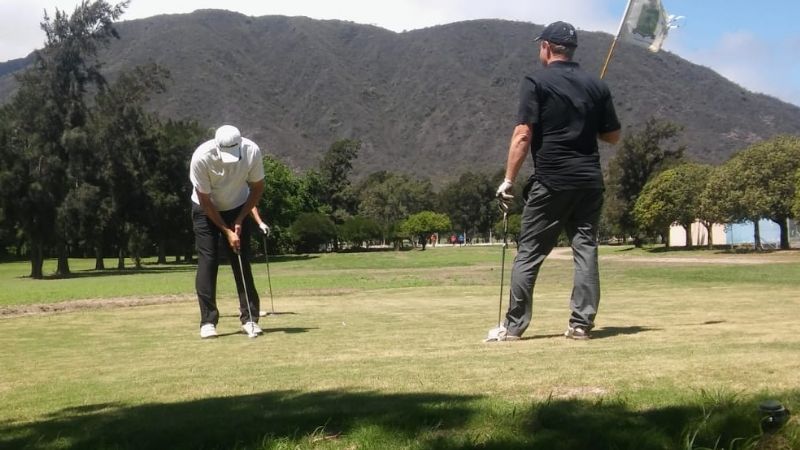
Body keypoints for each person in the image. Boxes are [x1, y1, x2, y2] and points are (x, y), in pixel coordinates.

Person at [490, 21, 621, 341]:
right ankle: (581, 324)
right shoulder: (596, 86)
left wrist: (508, 180)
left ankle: (513, 327)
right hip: (589, 182)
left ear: (547, 47)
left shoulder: (536, 81)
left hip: (552, 181)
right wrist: (586, 120)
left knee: (530, 252)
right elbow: (613, 136)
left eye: (540, 45)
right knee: (585, 250)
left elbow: (523, 135)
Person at [190, 125, 268, 339]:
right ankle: (207, 321)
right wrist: (226, 231)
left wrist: (241, 219)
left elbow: (258, 187)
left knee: (241, 261)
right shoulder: (201, 158)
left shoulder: (252, 151)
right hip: (206, 210)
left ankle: (250, 318)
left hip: (238, 206)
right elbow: (205, 201)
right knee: (208, 261)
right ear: (217, 146)